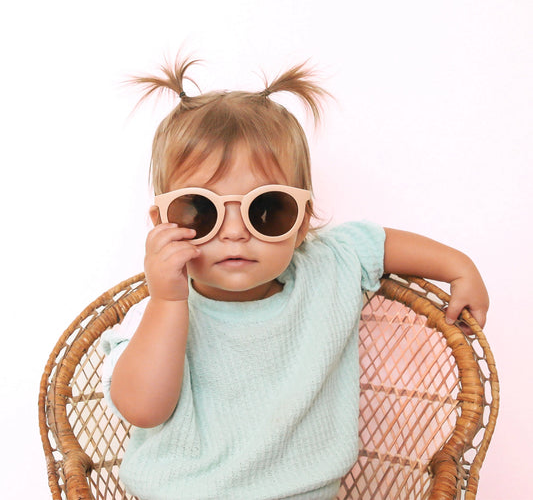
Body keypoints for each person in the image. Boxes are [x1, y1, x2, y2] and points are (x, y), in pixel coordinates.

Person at [101, 56, 489, 500]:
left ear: (302, 221)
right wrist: (167, 301)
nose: (233, 231)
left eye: (266, 210)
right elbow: (144, 410)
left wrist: (462, 267)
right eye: (201, 211)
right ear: (162, 224)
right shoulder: (159, 314)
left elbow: (379, 244)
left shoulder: (328, 265)